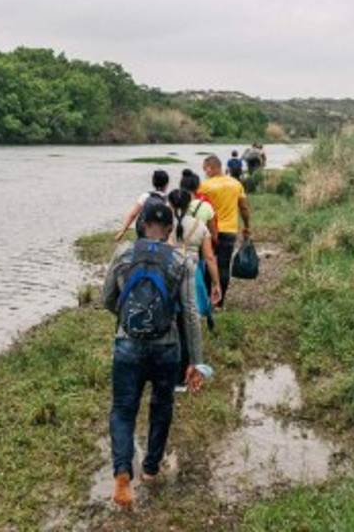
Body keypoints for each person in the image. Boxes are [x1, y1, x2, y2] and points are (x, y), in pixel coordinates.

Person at [102, 200, 205, 508]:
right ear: (170, 229)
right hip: (167, 347)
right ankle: (149, 469)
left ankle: (122, 474)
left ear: (141, 224)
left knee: (122, 409)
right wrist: (196, 361)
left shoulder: (123, 254)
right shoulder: (179, 260)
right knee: (161, 406)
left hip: (128, 345)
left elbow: (107, 299)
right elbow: (189, 314)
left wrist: (127, 319)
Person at [168, 187, 221, 357]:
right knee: (191, 314)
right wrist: (216, 283)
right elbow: (209, 258)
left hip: (169, 271)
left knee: (171, 315)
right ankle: (191, 356)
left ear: (170, 204)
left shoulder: (166, 225)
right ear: (189, 204)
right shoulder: (200, 226)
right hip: (193, 272)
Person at [200, 155, 251, 306]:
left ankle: (208, 299)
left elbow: (199, 208)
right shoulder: (236, 183)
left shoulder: (205, 186)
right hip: (229, 230)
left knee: (209, 263)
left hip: (209, 231)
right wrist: (247, 226)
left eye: (205, 169)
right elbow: (244, 208)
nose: (205, 172)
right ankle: (219, 303)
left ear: (211, 167)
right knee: (223, 265)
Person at [113, 169, 170, 241]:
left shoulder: (145, 196)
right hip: (159, 234)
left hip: (143, 231)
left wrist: (122, 231)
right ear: (167, 184)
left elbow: (133, 215)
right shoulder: (168, 201)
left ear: (153, 182)